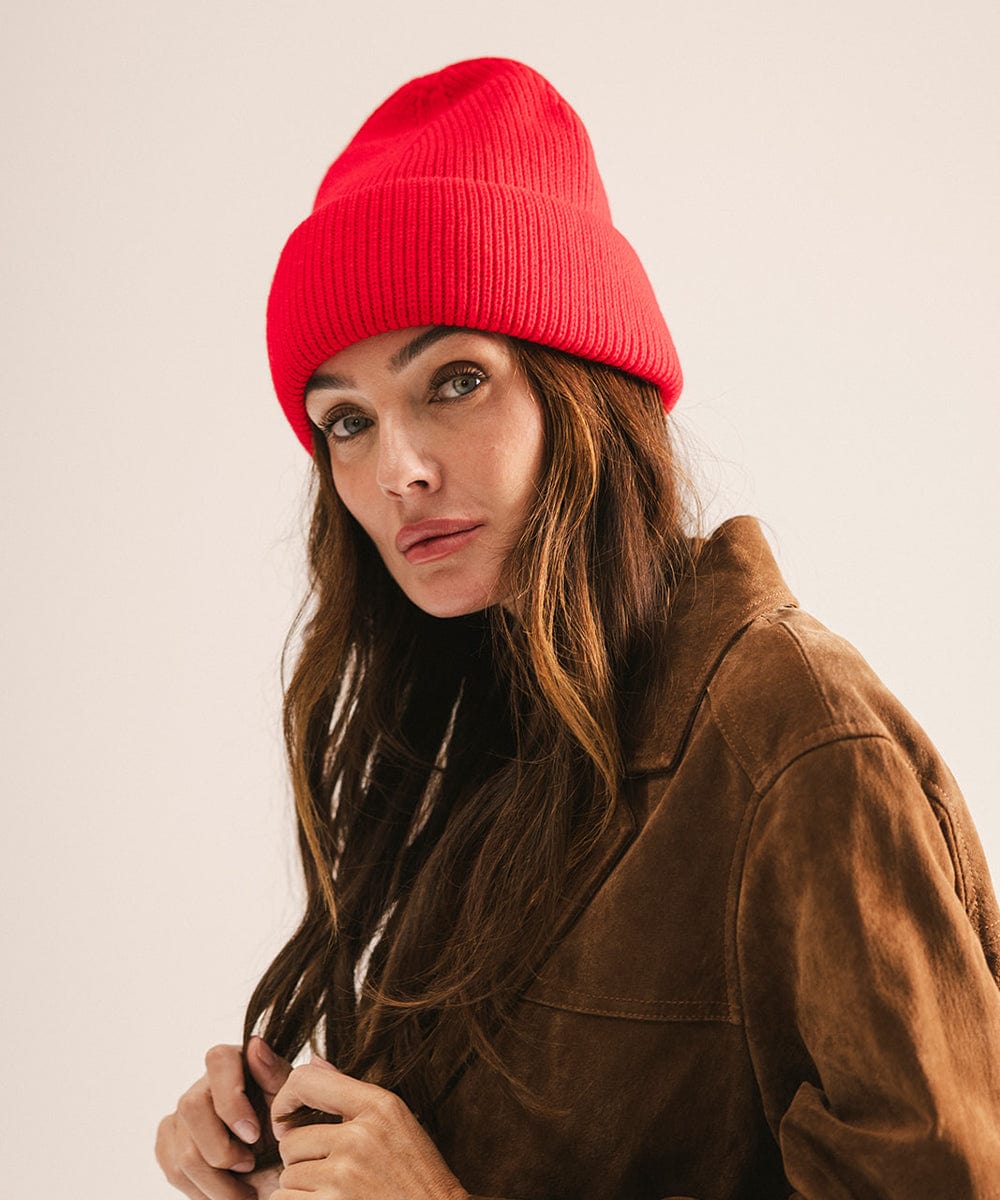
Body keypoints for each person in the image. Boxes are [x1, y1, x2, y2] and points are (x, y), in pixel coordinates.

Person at [155, 57, 1000, 1200]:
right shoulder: (481, 732)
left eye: (454, 380)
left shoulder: (793, 740)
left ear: (582, 384)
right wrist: (283, 1145)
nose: (394, 468)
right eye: (344, 420)